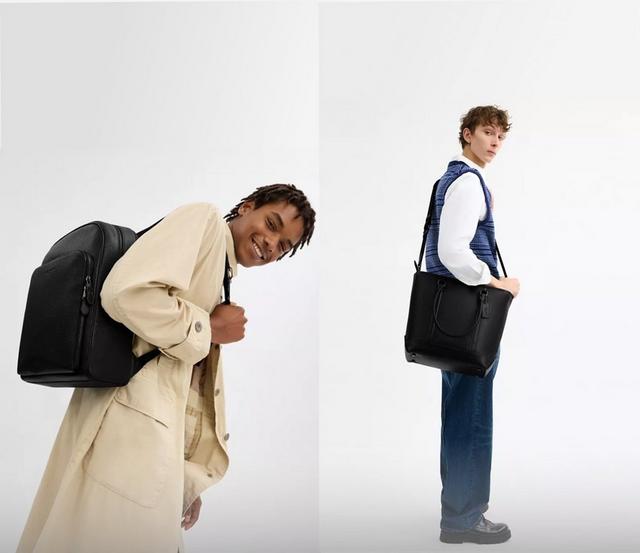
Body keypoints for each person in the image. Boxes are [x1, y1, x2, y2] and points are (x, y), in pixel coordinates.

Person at [16, 184, 316, 553]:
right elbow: (123, 292)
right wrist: (210, 328)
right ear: (246, 207)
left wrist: (182, 477)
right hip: (126, 439)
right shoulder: (204, 221)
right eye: (271, 224)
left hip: (142, 444)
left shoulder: (220, 270)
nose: (271, 243)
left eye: (283, 244)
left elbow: (181, 384)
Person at [423, 106, 520, 544]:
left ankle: (457, 514)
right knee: (473, 418)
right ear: (466, 134)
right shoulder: (466, 182)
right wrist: (497, 282)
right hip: (472, 317)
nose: (495, 141)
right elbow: (451, 252)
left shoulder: (453, 180)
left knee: (460, 414)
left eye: (500, 135)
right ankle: (463, 519)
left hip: (451, 318)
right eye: (487, 132)